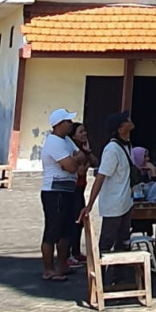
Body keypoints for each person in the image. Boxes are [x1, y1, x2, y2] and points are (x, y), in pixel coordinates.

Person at [79, 111, 136, 256]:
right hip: (114, 204)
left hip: (125, 202)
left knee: (123, 242)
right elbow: (100, 177)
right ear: (121, 128)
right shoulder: (112, 149)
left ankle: (119, 276)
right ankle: (101, 275)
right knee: (107, 242)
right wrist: (90, 204)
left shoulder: (127, 146)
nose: (130, 121)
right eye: (127, 120)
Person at [40, 108, 85, 281]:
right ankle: (49, 269)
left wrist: (73, 161)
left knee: (67, 229)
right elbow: (74, 166)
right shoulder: (54, 143)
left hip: (68, 190)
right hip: (54, 191)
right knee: (53, 230)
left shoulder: (66, 140)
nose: (71, 124)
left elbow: (80, 156)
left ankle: (61, 265)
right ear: (59, 124)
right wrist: (73, 162)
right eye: (68, 121)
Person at [68, 122, 95, 266]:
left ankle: (76, 252)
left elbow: (95, 162)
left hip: (81, 189)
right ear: (73, 136)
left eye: (85, 131)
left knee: (80, 222)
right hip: (73, 189)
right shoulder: (73, 151)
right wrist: (86, 161)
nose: (84, 134)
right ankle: (70, 254)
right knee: (75, 221)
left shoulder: (83, 150)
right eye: (81, 132)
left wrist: (88, 152)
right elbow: (81, 171)